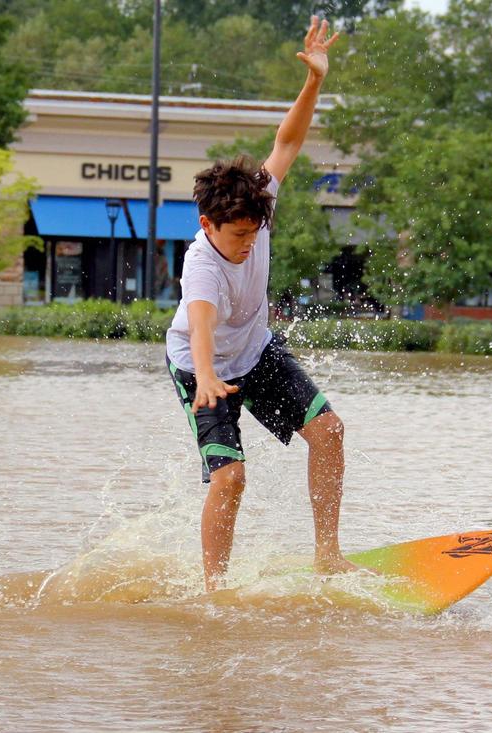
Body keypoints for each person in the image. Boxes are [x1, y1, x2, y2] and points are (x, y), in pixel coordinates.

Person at [164, 17, 356, 592]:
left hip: (254, 351)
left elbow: (288, 141)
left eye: (255, 233)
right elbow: (200, 325)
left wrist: (314, 83)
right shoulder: (201, 265)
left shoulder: (258, 201)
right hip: (202, 368)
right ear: (208, 224)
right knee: (231, 479)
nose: (249, 245)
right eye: (238, 236)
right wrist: (203, 377)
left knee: (329, 431)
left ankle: (328, 555)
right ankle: (214, 590)